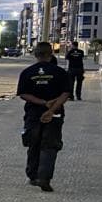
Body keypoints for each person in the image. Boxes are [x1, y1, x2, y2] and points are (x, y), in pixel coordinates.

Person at [17, 42, 71, 193]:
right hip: (55, 113)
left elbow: (23, 94)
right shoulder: (60, 72)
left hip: (33, 113)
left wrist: (43, 103)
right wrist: (51, 109)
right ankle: (44, 178)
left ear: (35, 54)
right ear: (51, 54)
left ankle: (33, 176)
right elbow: (66, 93)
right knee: (50, 145)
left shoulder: (27, 72)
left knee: (34, 142)